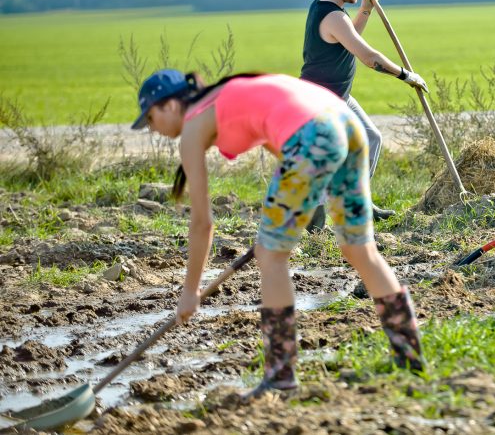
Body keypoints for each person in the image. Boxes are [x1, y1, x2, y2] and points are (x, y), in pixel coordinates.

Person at [131, 69, 423, 396]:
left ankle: (280, 374)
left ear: (171, 106)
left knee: (271, 255)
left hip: (315, 133)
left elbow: (202, 223)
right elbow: (285, 145)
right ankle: (410, 356)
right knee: (359, 249)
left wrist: (190, 291)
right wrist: (290, 214)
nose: (153, 128)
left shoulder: (194, 126)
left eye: (151, 118)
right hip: (346, 126)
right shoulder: (229, 93)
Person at [300, 0, 427, 226]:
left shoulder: (329, 10)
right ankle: (315, 218)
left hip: (339, 96)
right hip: (320, 99)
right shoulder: (332, 15)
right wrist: (406, 75)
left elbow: (348, 41)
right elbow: (369, 57)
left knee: (371, 137)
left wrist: (366, 9)